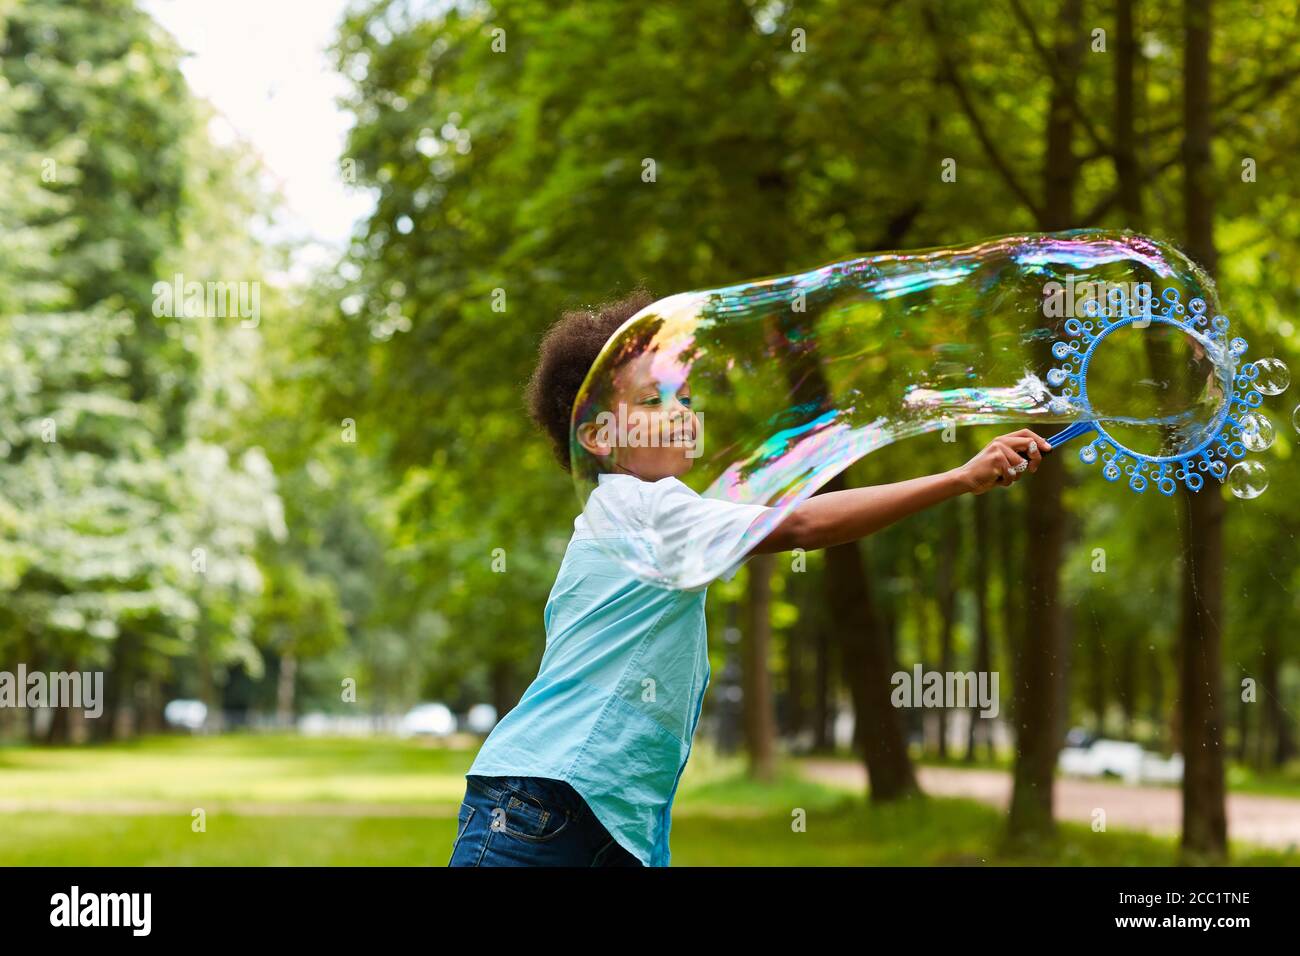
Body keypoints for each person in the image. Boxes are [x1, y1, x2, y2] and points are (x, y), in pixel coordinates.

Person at [448, 290, 1049, 867]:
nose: (683, 414)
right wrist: (958, 479)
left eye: (681, 397)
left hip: (608, 817)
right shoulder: (644, 508)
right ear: (599, 437)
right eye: (654, 402)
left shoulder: (631, 518)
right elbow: (803, 525)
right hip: (547, 800)